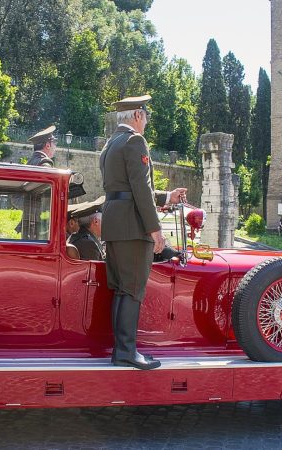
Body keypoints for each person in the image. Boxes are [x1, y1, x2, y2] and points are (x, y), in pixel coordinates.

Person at [99, 94, 186, 370]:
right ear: (137, 115)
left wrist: (166, 197)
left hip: (113, 224)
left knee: (121, 289)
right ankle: (126, 351)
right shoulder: (135, 141)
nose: (146, 121)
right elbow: (139, 189)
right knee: (133, 290)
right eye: (146, 116)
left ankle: (121, 350)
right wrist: (155, 230)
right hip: (131, 227)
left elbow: (127, 188)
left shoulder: (110, 144)